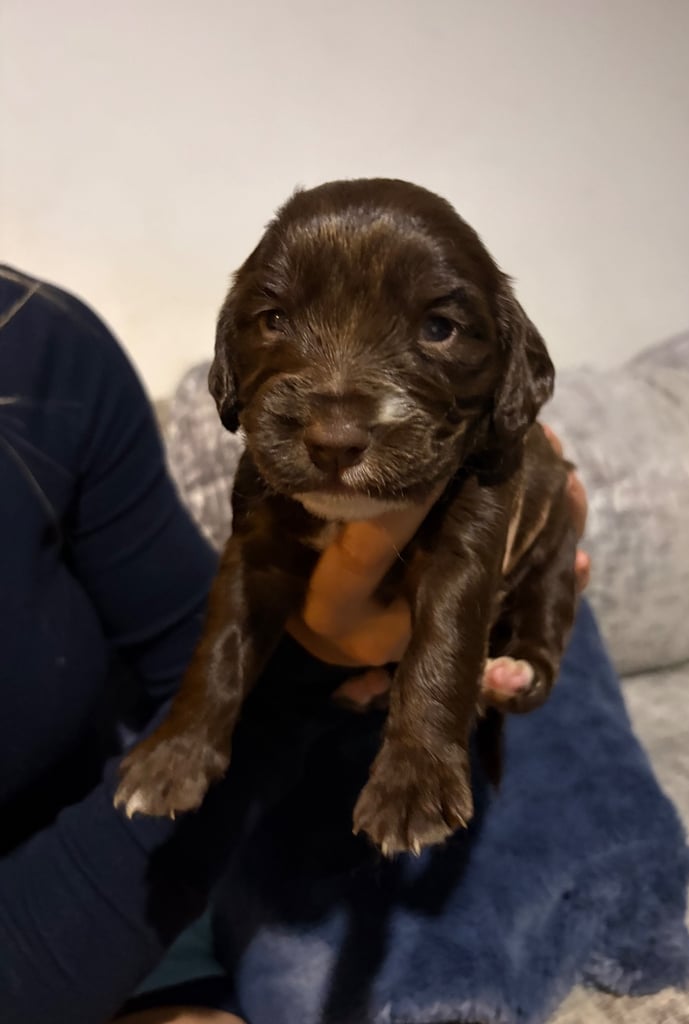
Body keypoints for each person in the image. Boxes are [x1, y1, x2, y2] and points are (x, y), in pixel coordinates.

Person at [0, 266, 589, 1024]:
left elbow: (191, 649)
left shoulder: (39, 342)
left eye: (436, 327)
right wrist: (311, 660)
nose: (338, 416)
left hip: (158, 839)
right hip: (109, 895)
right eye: (276, 322)